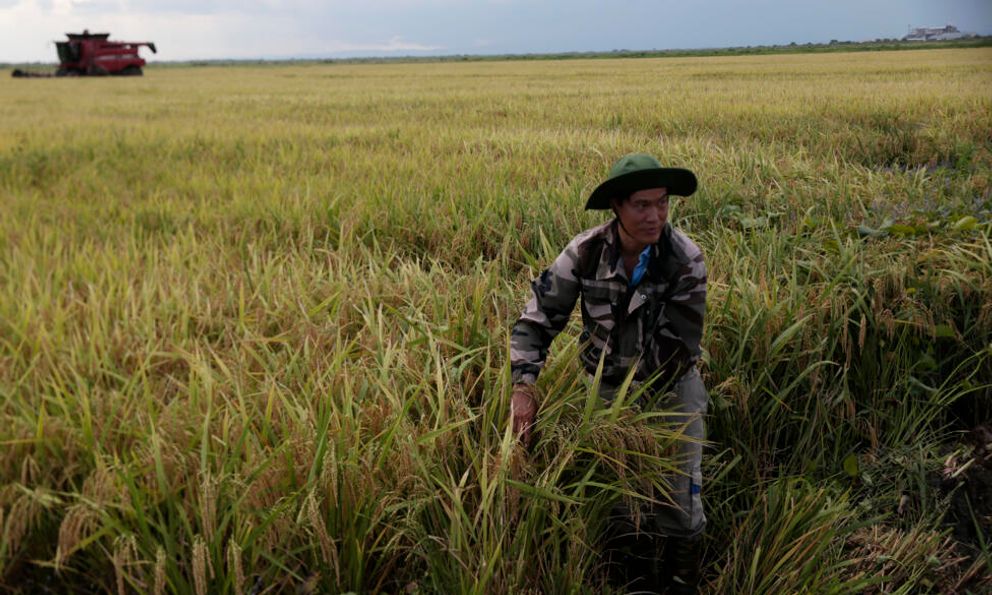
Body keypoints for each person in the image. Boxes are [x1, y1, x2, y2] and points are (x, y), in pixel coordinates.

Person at [509, 153, 709, 593]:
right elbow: (537, 318)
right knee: (619, 501)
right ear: (616, 207)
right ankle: (632, 583)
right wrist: (524, 386)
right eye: (641, 205)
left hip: (670, 390)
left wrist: (631, 421)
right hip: (607, 392)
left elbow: (677, 350)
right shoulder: (584, 253)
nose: (655, 215)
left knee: (678, 501)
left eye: (662, 203)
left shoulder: (684, 260)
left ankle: (680, 584)